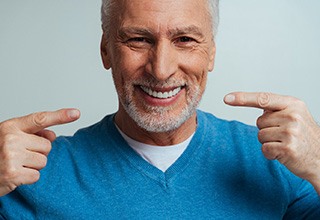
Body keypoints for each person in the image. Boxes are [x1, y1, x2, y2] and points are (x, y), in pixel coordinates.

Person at [0, 0, 320, 218]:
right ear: (106, 51)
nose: (161, 69)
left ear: (210, 53)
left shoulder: (277, 162)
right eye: (139, 39)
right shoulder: (35, 173)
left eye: (184, 39)